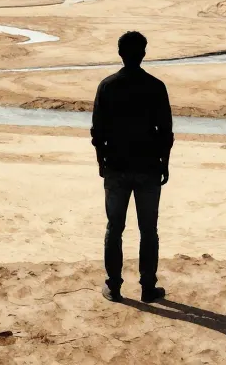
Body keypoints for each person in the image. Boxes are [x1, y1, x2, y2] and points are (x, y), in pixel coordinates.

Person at [91, 30, 173, 304]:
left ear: (120, 54)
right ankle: (148, 287)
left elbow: (97, 131)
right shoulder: (155, 86)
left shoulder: (107, 86)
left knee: (115, 227)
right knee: (148, 229)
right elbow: (166, 131)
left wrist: (101, 161)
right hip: (148, 166)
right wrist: (165, 163)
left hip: (116, 166)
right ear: (144, 53)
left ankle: (114, 286)